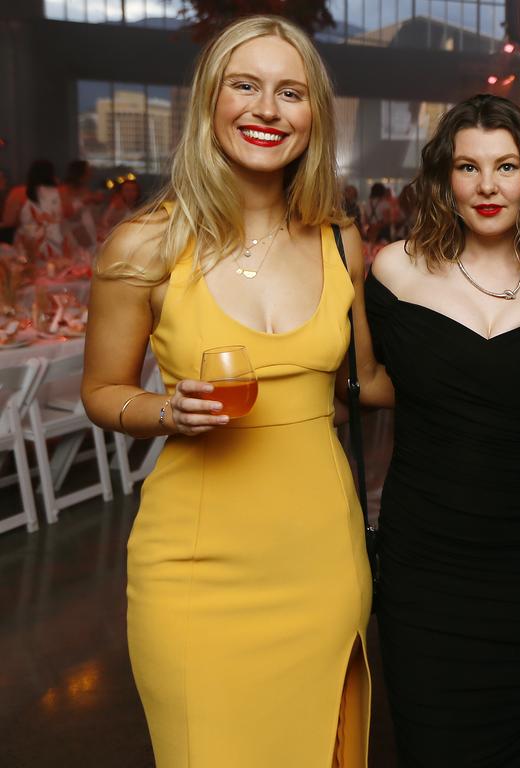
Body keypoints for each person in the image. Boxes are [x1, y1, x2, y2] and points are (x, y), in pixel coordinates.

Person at [81, 15, 377, 766]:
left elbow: (368, 386)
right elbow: (102, 391)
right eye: (244, 86)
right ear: (209, 101)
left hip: (321, 561)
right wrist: (163, 411)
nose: (266, 111)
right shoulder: (145, 243)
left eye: (291, 92)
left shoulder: (342, 242)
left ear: (315, 116)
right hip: (195, 570)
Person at [365, 93, 520, 767]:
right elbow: (366, 382)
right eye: (469, 167)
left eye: (507, 167)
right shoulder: (394, 270)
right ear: (444, 179)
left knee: (515, 743)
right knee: (429, 740)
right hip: (425, 557)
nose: (488, 186)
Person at [16, 158, 66, 261]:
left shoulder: (20, 193)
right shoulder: (58, 193)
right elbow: (62, 219)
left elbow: (17, 220)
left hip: (30, 243)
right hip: (53, 242)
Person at [60, 159, 101, 248]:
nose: (90, 173)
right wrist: (85, 201)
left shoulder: (84, 188)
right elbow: (66, 213)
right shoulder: (65, 189)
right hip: (73, 229)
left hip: (87, 226)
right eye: (88, 170)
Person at [98, 172, 142, 238]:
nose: (130, 193)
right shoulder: (115, 206)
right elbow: (104, 224)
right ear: (121, 192)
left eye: (133, 190)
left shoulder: (142, 209)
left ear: (138, 192)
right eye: (127, 190)